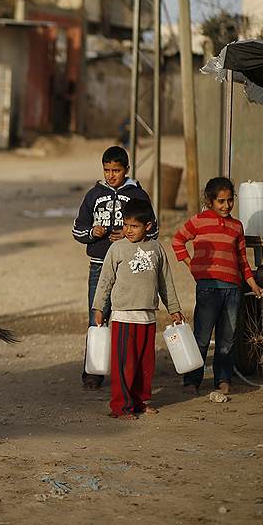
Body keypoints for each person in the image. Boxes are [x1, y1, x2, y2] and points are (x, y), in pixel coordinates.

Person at [73, 145, 158, 390]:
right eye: (107, 170)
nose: (111, 175)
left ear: (127, 170)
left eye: (117, 170)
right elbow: (77, 230)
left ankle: (126, 373)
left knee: (127, 320)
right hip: (100, 266)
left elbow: (153, 228)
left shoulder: (138, 195)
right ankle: (93, 372)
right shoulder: (93, 195)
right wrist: (92, 232)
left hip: (129, 268)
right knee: (97, 316)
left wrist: (128, 235)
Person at [171, 177, 263, 396]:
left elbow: (242, 261)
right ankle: (192, 380)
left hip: (233, 289)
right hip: (208, 289)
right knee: (202, 337)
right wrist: (192, 264)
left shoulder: (236, 226)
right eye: (220, 201)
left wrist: (253, 285)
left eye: (229, 200)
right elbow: (177, 241)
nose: (226, 206)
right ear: (210, 201)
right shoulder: (198, 221)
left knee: (228, 338)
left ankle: (223, 378)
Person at [93, 199, 183, 419]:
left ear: (148, 226)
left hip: (148, 317)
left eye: (134, 226)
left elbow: (165, 282)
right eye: (125, 225)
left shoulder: (156, 248)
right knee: (124, 365)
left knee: (145, 365)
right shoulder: (117, 248)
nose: (128, 230)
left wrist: (174, 308)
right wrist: (98, 307)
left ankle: (139, 402)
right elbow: (105, 280)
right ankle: (121, 407)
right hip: (123, 317)